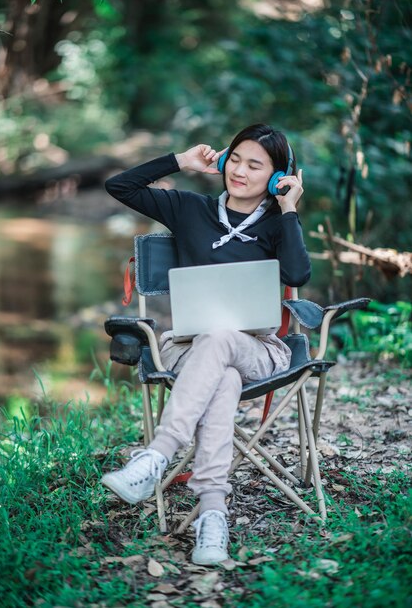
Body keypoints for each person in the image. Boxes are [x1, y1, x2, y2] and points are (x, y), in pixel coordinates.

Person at [102, 124, 311, 565]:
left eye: (256, 166)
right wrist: (181, 161)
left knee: (223, 343)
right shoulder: (189, 208)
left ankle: (157, 454)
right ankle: (212, 515)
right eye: (235, 158)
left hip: (258, 349)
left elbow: (297, 275)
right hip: (188, 348)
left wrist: (288, 207)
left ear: (277, 176)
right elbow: (118, 185)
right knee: (223, 377)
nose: (239, 171)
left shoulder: (276, 224)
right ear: (221, 159)